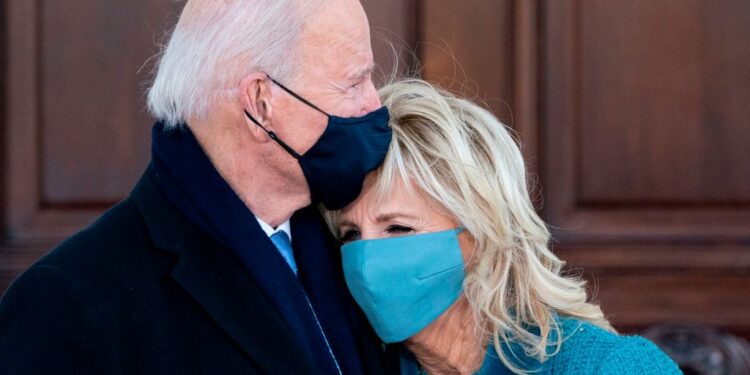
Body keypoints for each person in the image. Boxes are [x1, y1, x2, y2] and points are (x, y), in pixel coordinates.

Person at [0, 1, 393, 374]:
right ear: (260, 104)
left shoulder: (355, 238)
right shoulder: (66, 307)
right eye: (353, 83)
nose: (374, 104)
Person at [325, 79, 683, 374]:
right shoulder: (348, 364)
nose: (367, 259)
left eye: (398, 229)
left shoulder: (611, 367)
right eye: (350, 235)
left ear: (481, 233)